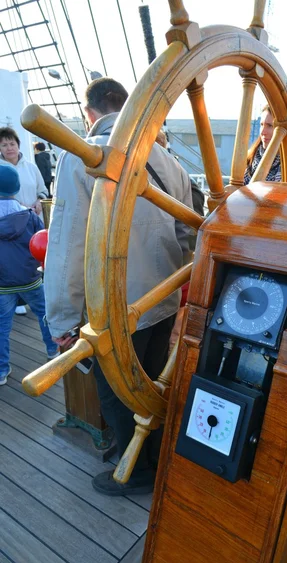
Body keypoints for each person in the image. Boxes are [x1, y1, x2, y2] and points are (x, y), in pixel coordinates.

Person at [44, 77, 193, 496]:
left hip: (115, 307)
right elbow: (187, 230)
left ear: (90, 113)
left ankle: (135, 470)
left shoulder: (81, 157)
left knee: (118, 393)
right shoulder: (167, 160)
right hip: (160, 302)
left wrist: (61, 316)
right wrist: (169, 279)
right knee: (153, 381)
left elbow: (69, 242)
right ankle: (158, 452)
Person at [0, 164, 59, 386]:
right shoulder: (28, 216)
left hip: (2, 284)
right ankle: (53, 350)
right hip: (30, 278)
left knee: (2, 326)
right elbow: (43, 240)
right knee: (45, 314)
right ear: (15, 188)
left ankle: (1, 370)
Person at [0, 127, 49, 315]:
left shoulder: (31, 166)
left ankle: (25, 290)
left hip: (30, 219)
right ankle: (19, 298)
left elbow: (42, 189)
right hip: (8, 221)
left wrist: (38, 201)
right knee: (13, 257)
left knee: (29, 256)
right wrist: (16, 205)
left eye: (12, 143)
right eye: (4, 144)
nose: (9, 147)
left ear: (18, 145)